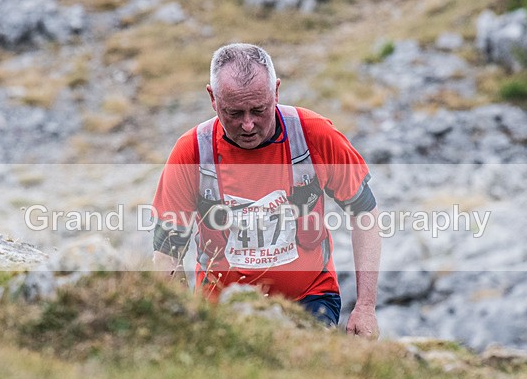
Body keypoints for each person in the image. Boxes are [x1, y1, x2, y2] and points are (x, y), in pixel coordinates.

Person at [151, 43, 380, 338]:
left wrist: (365, 306)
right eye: (234, 112)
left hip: (310, 300)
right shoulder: (191, 151)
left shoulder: (314, 134)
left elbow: (364, 212)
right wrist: (182, 323)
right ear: (212, 98)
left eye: (259, 110)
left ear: (276, 92)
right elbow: (167, 250)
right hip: (219, 309)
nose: (248, 125)